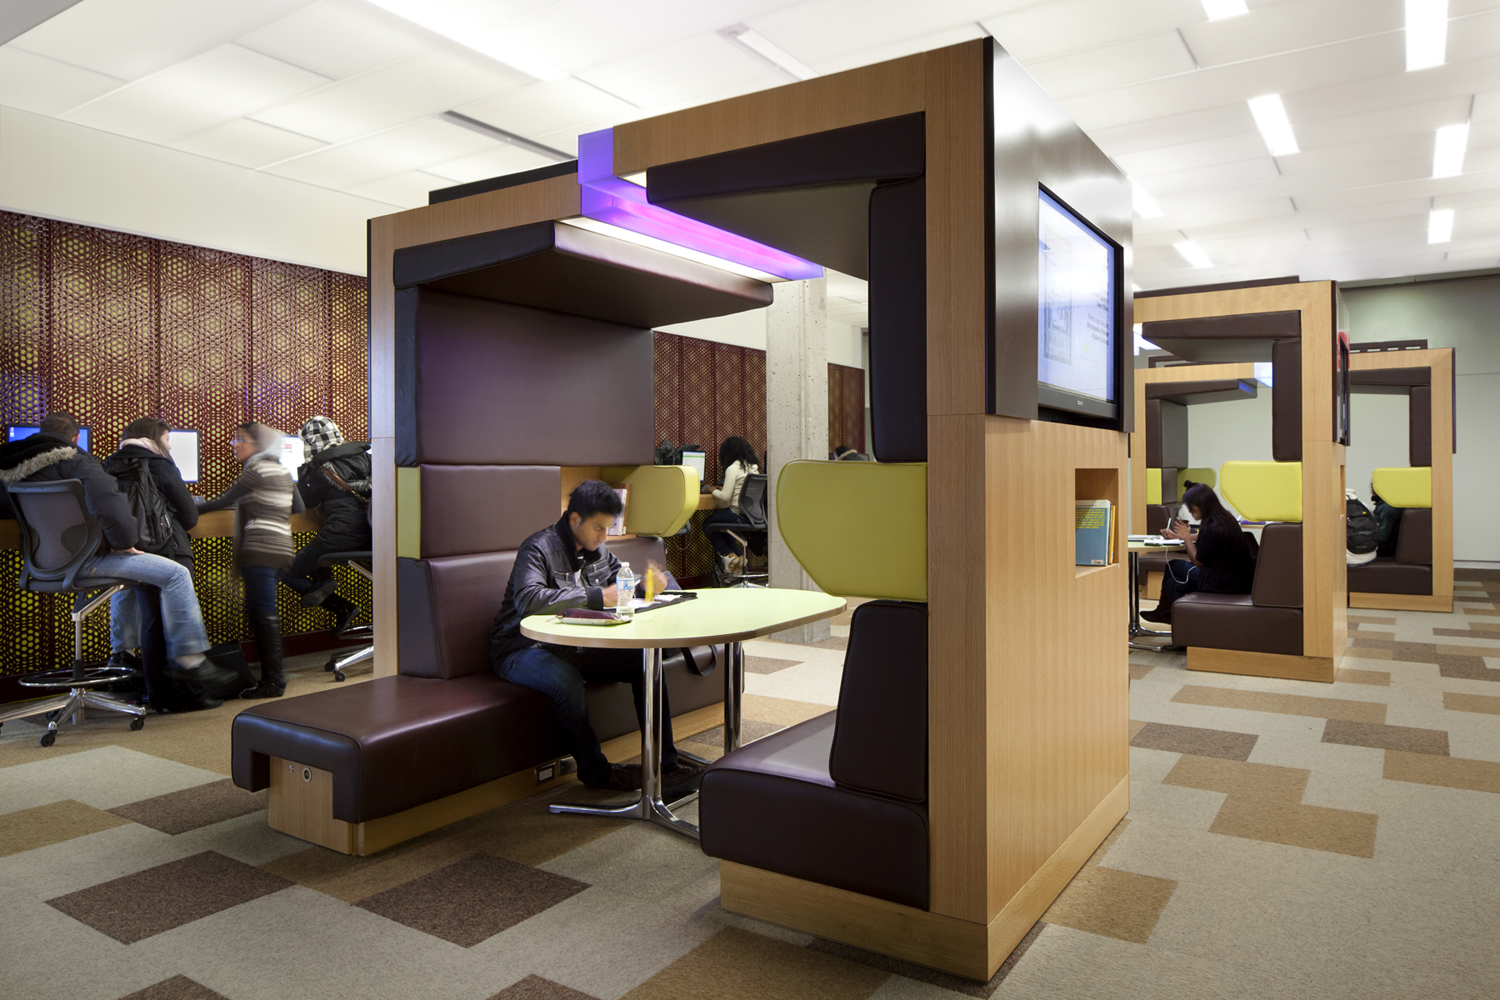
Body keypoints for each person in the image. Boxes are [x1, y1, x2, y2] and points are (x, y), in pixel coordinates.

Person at [490, 480, 703, 793]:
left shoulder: (598, 550)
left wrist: (645, 586)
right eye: (598, 528)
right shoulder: (538, 548)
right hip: (521, 648)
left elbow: (621, 585)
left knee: (645, 662)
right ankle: (596, 773)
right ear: (575, 519)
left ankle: (665, 765)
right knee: (565, 679)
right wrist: (597, 597)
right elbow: (529, 599)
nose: (604, 537)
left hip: (570, 644)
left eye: (608, 528)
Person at [0, 412, 234, 694]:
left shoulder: (10, 468)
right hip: (85, 562)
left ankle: (121, 652)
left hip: (39, 566)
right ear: (76, 438)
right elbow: (110, 507)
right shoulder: (80, 462)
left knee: (130, 579)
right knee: (176, 573)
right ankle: (191, 659)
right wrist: (124, 542)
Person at [103, 417, 214, 711]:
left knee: (152, 622)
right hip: (170, 548)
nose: (169, 446)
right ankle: (192, 694)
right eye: (167, 439)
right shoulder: (160, 464)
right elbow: (190, 515)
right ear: (154, 438)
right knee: (178, 620)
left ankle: (159, 697)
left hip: (135, 552)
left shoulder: (109, 464)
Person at [198, 422, 303, 699]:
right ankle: (273, 679)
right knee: (263, 611)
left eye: (240, 439)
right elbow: (298, 507)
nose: (235, 444)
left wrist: (183, 508)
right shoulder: (280, 469)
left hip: (260, 548)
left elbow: (220, 503)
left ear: (258, 444)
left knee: (263, 614)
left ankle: (273, 681)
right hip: (281, 548)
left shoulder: (255, 470)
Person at [283, 416, 370, 635]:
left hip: (341, 533)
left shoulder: (320, 468)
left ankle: (340, 604)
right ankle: (327, 585)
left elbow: (307, 502)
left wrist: (305, 468)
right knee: (317, 556)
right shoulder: (365, 456)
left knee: (288, 572)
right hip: (372, 534)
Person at [1139, 483, 1256, 624]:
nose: (1190, 511)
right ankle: (1172, 617)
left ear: (1201, 505)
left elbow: (1197, 561)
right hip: (1238, 578)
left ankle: (1166, 613)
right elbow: (1204, 538)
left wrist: (1186, 537)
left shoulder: (1212, 526)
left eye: (1191, 507)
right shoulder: (1224, 517)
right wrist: (1179, 536)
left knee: (1174, 565)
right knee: (1172, 583)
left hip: (1224, 581)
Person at [703, 435, 761, 578]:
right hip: (752, 514)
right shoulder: (754, 468)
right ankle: (738, 557)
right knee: (722, 527)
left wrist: (712, 490)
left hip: (736, 513)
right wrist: (722, 488)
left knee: (708, 525)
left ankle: (728, 556)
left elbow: (725, 497)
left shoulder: (732, 468)